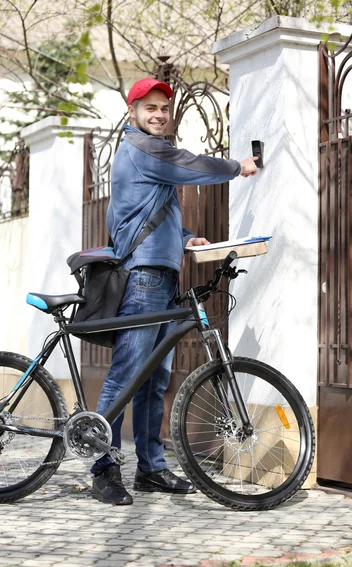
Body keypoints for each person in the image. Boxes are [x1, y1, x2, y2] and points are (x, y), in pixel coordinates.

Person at [91, 77, 258, 505]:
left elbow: (144, 213)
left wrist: (184, 237)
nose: (159, 114)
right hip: (143, 278)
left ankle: (151, 468)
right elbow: (189, 163)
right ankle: (104, 468)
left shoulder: (147, 154)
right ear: (133, 113)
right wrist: (236, 167)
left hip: (164, 277)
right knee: (128, 375)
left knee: (154, 380)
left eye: (164, 108)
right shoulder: (141, 148)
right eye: (150, 107)